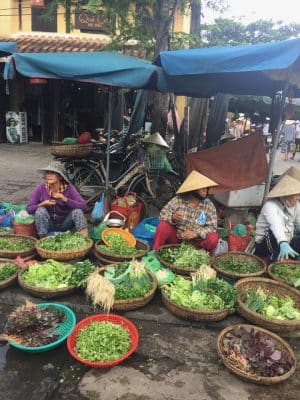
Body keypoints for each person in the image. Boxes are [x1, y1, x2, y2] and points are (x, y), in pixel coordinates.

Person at [152, 170, 219, 254]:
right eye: (202, 187)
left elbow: (212, 227)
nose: (205, 190)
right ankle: (155, 253)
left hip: (196, 244)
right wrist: (172, 218)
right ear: (193, 189)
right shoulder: (178, 200)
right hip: (176, 240)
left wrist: (196, 234)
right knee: (163, 226)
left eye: (206, 187)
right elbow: (163, 215)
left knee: (213, 238)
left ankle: (205, 260)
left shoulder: (209, 205)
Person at [27, 161, 88, 238]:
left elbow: (84, 206)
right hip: (48, 225)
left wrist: (65, 199)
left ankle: (85, 239)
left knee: (77, 212)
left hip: (65, 224)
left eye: (52, 173)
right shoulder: (41, 188)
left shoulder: (69, 189)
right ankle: (44, 241)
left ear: (60, 176)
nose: (49, 175)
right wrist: (43, 203)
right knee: (40, 211)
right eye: (47, 173)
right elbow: (29, 209)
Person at [255, 171, 300, 261]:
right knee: (277, 233)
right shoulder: (270, 206)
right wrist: (283, 242)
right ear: (288, 194)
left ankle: (293, 256)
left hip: (287, 240)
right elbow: (276, 226)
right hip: (265, 243)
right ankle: (273, 260)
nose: (299, 197)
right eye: (297, 194)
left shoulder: (297, 206)